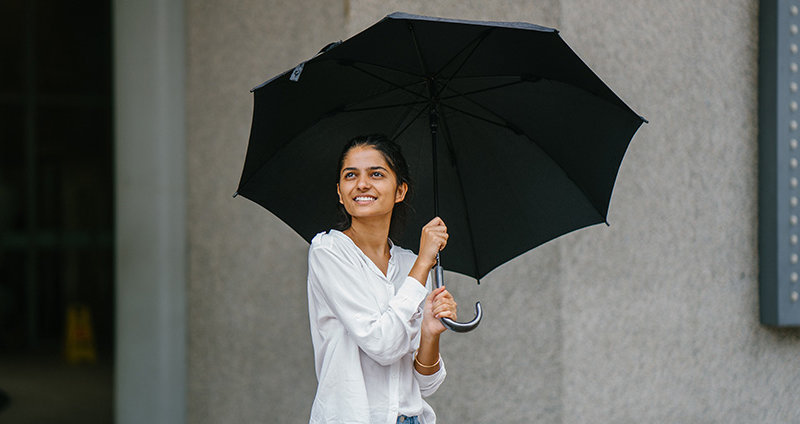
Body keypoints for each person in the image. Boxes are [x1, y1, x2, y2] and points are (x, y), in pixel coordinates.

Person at [306, 134, 458, 424]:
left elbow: (426, 384)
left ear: (400, 190)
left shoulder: (409, 264)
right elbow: (382, 344)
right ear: (340, 191)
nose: (362, 184)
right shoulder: (329, 251)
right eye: (351, 175)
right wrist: (425, 261)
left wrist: (430, 333)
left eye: (376, 174)